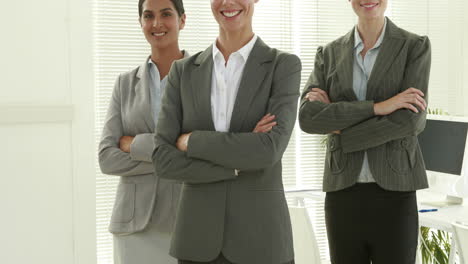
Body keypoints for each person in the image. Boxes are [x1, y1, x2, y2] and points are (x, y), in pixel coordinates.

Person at [152, 0, 302, 263]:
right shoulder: (182, 72)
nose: (228, 2)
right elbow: (163, 159)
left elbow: (268, 150)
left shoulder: (283, 66)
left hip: (261, 242)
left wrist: (192, 141)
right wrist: (235, 165)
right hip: (196, 241)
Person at [298, 0, 431, 263]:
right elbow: (308, 118)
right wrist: (380, 107)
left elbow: (410, 121)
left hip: (395, 191)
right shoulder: (328, 53)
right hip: (342, 192)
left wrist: (342, 130)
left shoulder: (414, 47)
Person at [98, 0, 188, 263]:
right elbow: (106, 158)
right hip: (132, 227)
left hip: (186, 222)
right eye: (148, 16)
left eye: (166, 14)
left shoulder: (203, 78)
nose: (157, 23)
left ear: (182, 20)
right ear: (140, 23)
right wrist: (171, 153)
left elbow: (203, 150)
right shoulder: (125, 84)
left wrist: (134, 144)